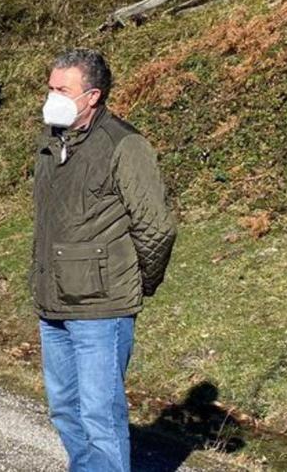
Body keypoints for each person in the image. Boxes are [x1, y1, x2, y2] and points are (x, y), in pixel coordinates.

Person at [31, 49, 177, 471]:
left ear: (91, 96)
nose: (51, 96)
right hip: (52, 302)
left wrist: (137, 282)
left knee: (100, 416)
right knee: (65, 409)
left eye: (62, 89)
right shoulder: (51, 141)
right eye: (50, 87)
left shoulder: (124, 145)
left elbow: (156, 226)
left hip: (102, 307)